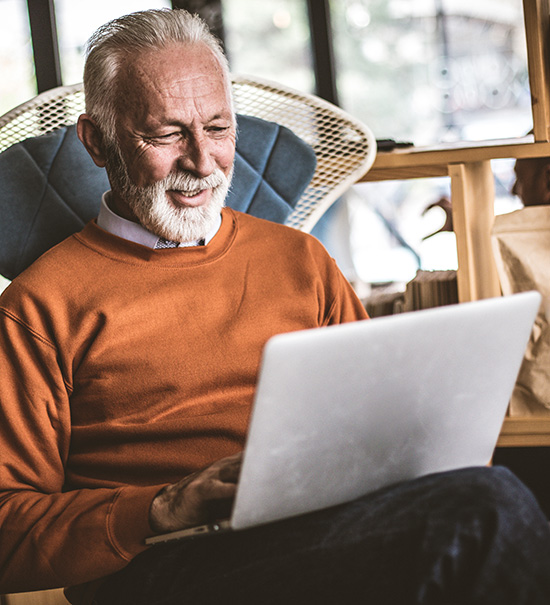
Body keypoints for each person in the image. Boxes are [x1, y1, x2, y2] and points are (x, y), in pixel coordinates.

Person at [0, 8, 550, 605]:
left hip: (327, 533)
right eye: (166, 134)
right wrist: (161, 508)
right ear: (97, 142)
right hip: (164, 566)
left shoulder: (300, 261)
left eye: (217, 127)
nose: (203, 162)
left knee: (489, 497)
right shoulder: (38, 306)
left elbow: (380, 423)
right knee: (485, 510)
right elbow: (7, 533)